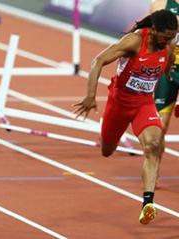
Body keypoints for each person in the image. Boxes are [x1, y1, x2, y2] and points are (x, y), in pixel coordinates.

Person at [73, 9, 177, 224]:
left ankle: (148, 202)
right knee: (107, 150)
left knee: (154, 144)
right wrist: (90, 96)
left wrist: (167, 77)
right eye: (165, 37)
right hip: (119, 103)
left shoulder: (169, 45)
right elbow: (98, 61)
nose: (169, 42)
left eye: (173, 37)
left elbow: (165, 66)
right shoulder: (134, 41)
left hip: (144, 104)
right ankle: (109, 132)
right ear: (154, 30)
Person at [151, 0, 179, 188]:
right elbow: (150, 33)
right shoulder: (160, 2)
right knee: (159, 125)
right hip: (167, 66)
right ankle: (153, 171)